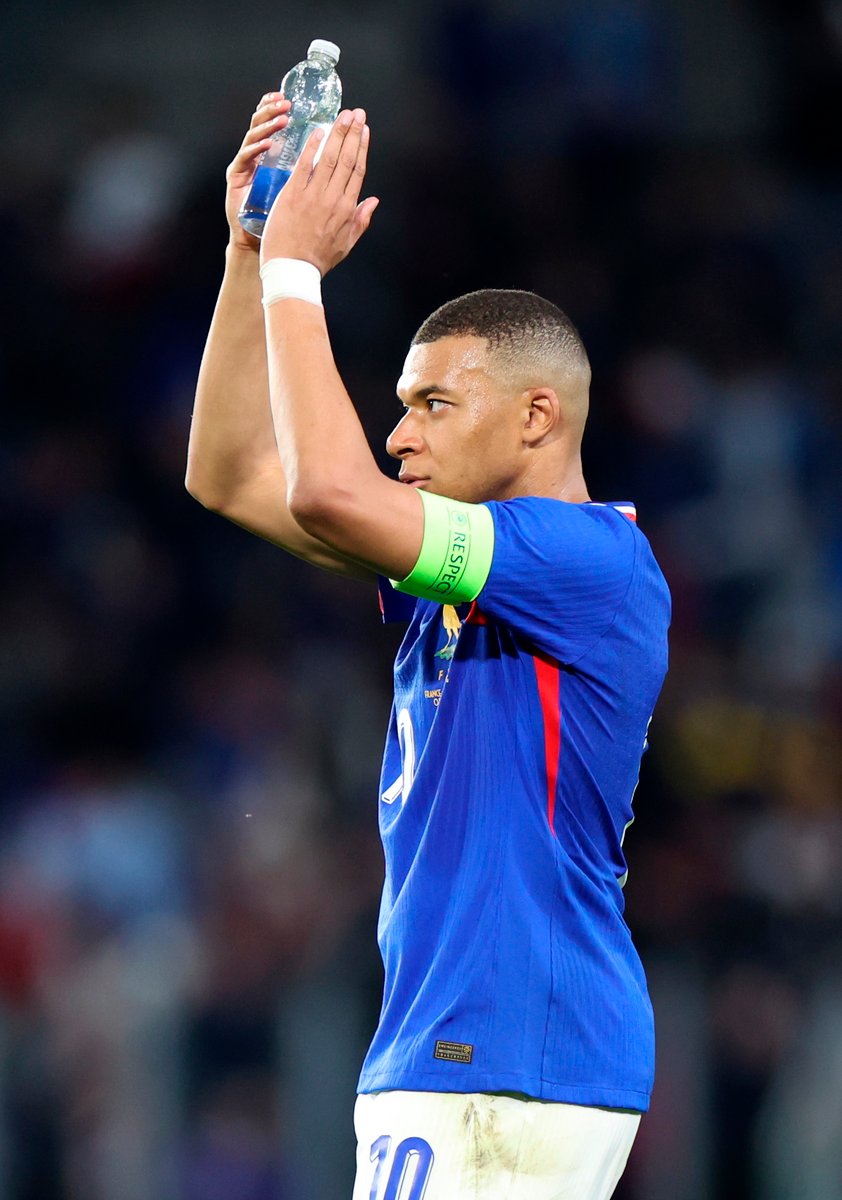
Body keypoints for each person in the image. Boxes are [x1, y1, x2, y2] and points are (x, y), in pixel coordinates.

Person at [186, 94, 670, 1200]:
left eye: (431, 404)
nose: (399, 432)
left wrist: (296, 276)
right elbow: (227, 476)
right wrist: (247, 251)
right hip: (470, 1051)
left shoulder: (582, 563)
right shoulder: (465, 576)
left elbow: (327, 486)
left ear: (535, 418)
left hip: (504, 1053)